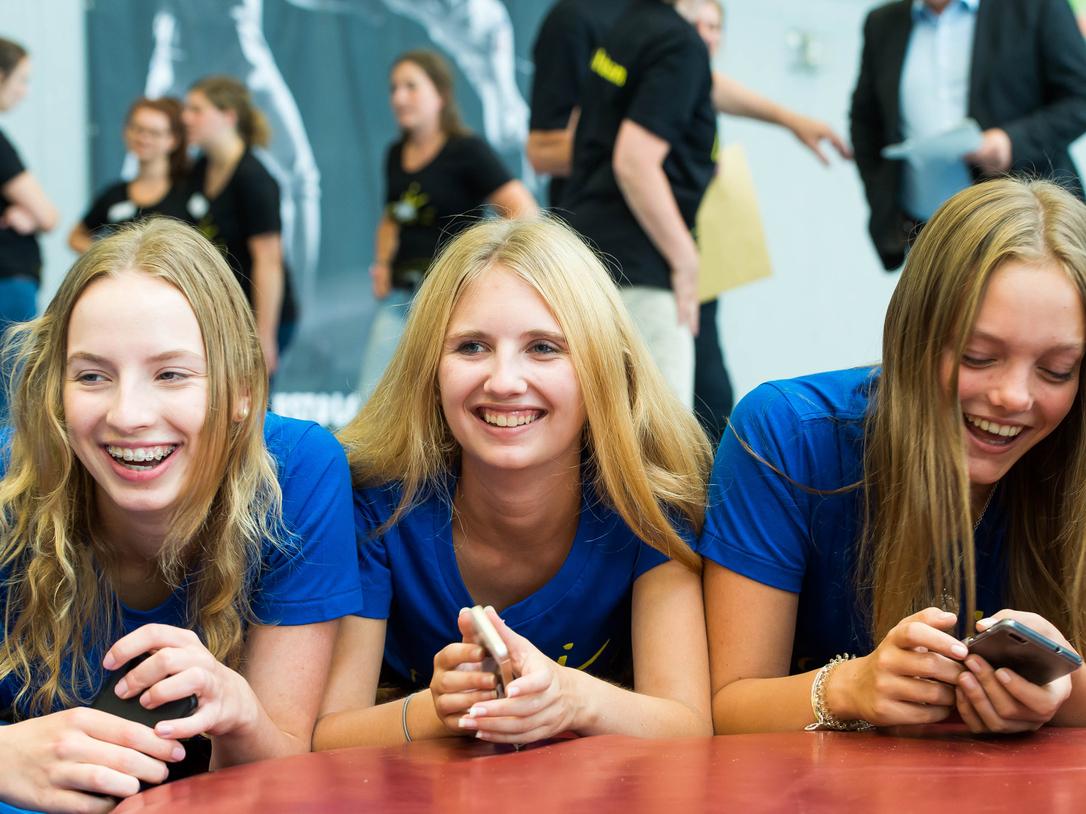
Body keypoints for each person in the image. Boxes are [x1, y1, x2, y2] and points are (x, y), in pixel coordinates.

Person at [701, 178, 1086, 735]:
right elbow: (724, 709)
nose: (1013, 397)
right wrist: (849, 687)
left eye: (1056, 370)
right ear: (913, 334)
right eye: (978, 356)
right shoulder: (786, 434)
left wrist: (1059, 687)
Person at [0, 219, 362, 811]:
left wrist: (240, 713)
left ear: (242, 390)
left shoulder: (296, 471)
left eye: (171, 374)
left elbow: (285, 772)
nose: (129, 415)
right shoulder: (9, 485)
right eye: (92, 376)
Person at [316, 216, 712, 748]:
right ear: (429, 369)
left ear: (604, 369)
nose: (503, 381)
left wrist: (571, 697)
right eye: (471, 347)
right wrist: (437, 709)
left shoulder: (647, 505)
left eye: (543, 347)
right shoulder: (377, 506)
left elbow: (689, 727)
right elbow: (329, 737)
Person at [690, 0, 851, 444]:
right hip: (663, 263)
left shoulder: (695, 84)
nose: (706, 35)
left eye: (715, 26)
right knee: (697, 392)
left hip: (701, 263)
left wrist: (792, 119)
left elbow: (713, 86)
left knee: (711, 397)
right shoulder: (665, 76)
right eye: (696, 24)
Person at [850, 0, 1086, 271]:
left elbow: (1080, 98)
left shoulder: (1036, 6)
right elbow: (865, 122)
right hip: (929, 236)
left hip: (1024, 232)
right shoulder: (883, 23)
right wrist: (882, 195)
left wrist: (1012, 142)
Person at [359, 50, 537, 402]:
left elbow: (523, 210)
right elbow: (390, 219)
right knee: (373, 396)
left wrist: (495, 264)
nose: (399, 97)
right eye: (394, 88)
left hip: (451, 298)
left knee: (442, 399)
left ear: (440, 95)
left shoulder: (467, 150)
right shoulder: (395, 154)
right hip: (402, 298)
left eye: (411, 86)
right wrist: (382, 264)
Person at [562, 0, 715, 408]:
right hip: (641, 268)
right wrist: (685, 260)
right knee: (660, 432)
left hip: (590, 253)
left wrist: (789, 119)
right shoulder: (681, 45)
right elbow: (634, 162)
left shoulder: (628, 29)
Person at [182, 75, 297, 375]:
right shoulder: (200, 169)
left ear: (228, 116)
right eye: (186, 110)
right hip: (222, 314)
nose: (186, 118)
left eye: (196, 110)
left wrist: (264, 335)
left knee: (248, 399)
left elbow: (269, 261)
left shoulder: (254, 178)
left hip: (257, 316)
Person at [0, 37, 58, 417]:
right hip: (8, 283)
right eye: (21, 79)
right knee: (10, 397)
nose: (24, 91)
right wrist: (29, 213)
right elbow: (48, 215)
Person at [526, 0, 631, 209]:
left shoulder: (672, 22)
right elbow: (542, 151)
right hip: (600, 216)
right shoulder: (574, 19)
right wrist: (640, 153)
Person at [68, 96, 189, 253]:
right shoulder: (114, 195)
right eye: (137, 129)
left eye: (154, 133)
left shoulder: (190, 191)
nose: (144, 138)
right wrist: (111, 255)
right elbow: (75, 237)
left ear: (173, 140)